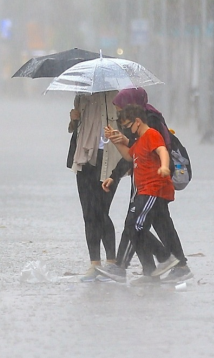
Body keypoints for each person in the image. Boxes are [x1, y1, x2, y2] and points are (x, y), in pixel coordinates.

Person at [95, 88, 189, 283]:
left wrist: (163, 166)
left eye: (122, 109)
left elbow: (157, 148)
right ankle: (162, 268)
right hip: (147, 182)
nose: (120, 113)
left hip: (153, 183)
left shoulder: (150, 123)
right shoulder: (141, 124)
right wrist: (118, 146)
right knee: (158, 225)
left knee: (134, 225)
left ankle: (127, 266)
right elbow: (134, 153)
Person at [67, 91, 123, 282]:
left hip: (109, 159)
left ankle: (112, 262)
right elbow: (74, 129)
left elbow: (127, 127)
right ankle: (95, 264)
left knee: (101, 211)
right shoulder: (81, 96)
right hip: (84, 158)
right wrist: (74, 119)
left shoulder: (116, 97)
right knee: (88, 213)